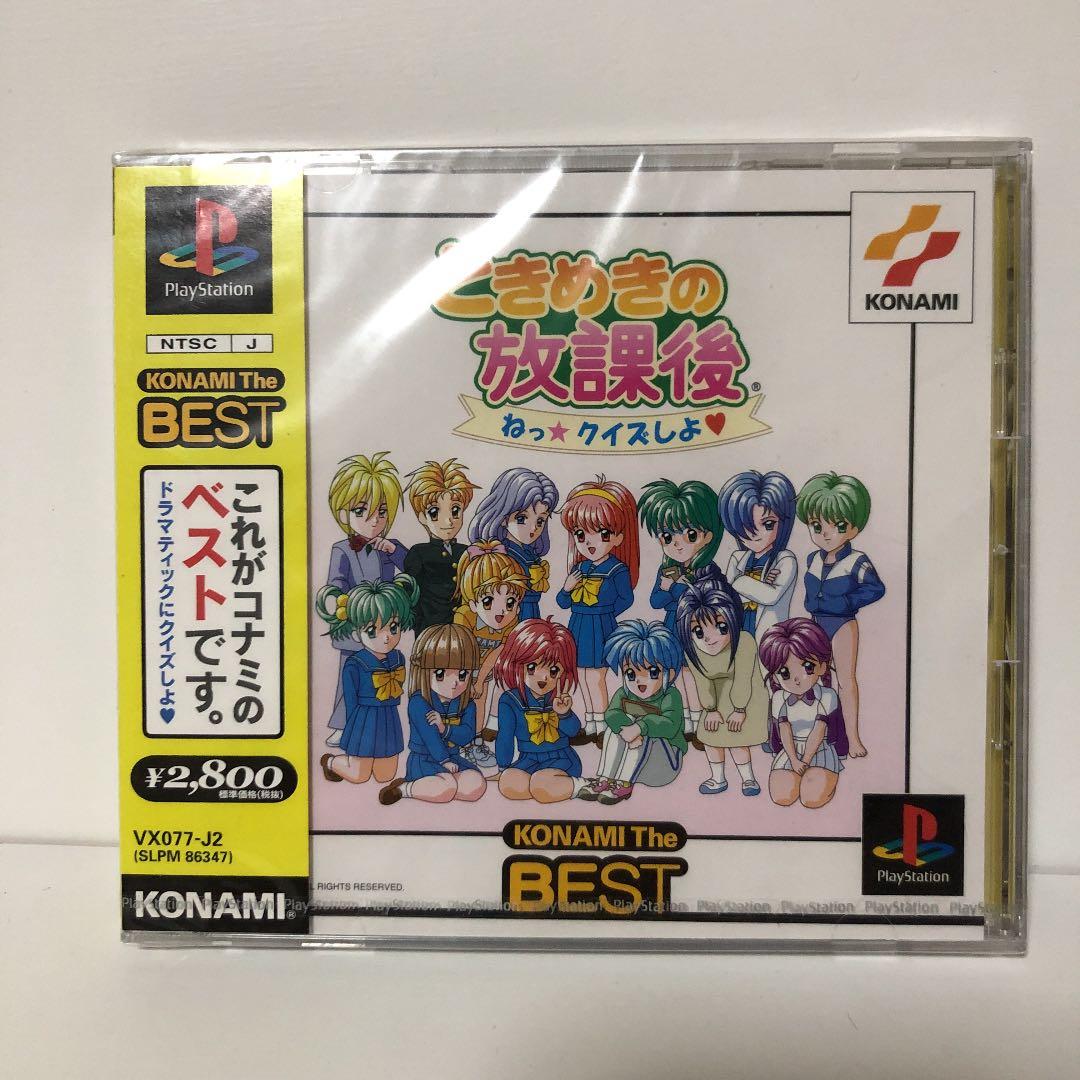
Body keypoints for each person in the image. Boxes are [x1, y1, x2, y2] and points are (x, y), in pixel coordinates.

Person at [321, 452, 408, 747]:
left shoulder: (390, 546)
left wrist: (394, 551)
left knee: (380, 676)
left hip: (384, 625)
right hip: (354, 625)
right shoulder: (342, 549)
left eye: (381, 512)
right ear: (344, 513)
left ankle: (372, 727)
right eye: (362, 511)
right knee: (349, 678)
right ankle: (343, 724)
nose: (374, 521)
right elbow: (335, 584)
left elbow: (412, 569)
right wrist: (346, 606)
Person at [796, 472, 885, 758]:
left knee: (845, 681)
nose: (826, 533)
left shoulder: (857, 560)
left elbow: (876, 588)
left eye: (839, 526)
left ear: (853, 528)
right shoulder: (812, 558)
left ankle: (853, 738)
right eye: (817, 525)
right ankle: (824, 735)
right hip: (815, 623)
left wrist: (847, 601)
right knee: (818, 680)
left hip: (843, 624)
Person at [556, 476, 639, 745]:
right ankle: (590, 724)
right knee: (580, 676)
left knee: (596, 677)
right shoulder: (579, 568)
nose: (589, 542)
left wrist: (605, 613)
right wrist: (567, 588)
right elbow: (562, 602)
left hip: (601, 626)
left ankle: (603, 726)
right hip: (578, 625)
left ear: (618, 538)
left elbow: (626, 599)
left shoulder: (617, 569)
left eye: (602, 534)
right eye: (581, 535)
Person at [315, 574, 418, 785]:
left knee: (385, 776)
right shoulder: (355, 663)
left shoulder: (398, 657)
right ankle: (330, 762)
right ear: (356, 633)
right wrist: (355, 730)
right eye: (372, 630)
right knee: (359, 776)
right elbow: (350, 701)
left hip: (389, 717)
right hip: (363, 719)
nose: (386, 636)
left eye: (393, 627)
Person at [577, 619, 686, 805]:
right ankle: (605, 779)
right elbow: (611, 714)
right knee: (615, 728)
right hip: (634, 761)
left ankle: (624, 784)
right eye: (631, 674)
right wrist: (628, 729)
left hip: (664, 765)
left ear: (671, 674)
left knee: (645, 733)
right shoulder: (624, 692)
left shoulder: (670, 695)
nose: (639, 681)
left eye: (652, 672)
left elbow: (670, 726)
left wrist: (640, 727)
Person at [675, 580, 768, 796]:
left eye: (721, 627)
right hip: (715, 697)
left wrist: (739, 709)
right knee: (710, 736)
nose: (710, 638)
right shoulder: (692, 650)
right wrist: (710, 709)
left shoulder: (744, 642)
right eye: (698, 631)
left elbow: (744, 678)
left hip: (746, 695)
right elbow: (702, 681)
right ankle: (718, 778)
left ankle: (748, 778)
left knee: (737, 738)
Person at [379, 623, 487, 806]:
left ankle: (437, 787)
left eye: (462, 674)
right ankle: (404, 788)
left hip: (454, 758)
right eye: (441, 673)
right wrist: (443, 760)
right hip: (424, 760)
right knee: (446, 787)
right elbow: (430, 737)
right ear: (425, 672)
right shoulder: (419, 702)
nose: (454, 683)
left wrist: (445, 729)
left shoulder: (467, 705)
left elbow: (467, 734)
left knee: (476, 784)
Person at [759, 618, 847, 809]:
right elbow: (783, 731)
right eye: (785, 672)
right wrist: (793, 760)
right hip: (790, 750)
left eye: (808, 667)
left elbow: (819, 731)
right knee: (782, 797)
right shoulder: (779, 698)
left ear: (822, 666)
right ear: (775, 676)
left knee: (811, 799)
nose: (796, 679)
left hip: (820, 749)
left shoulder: (827, 696)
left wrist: (805, 761)